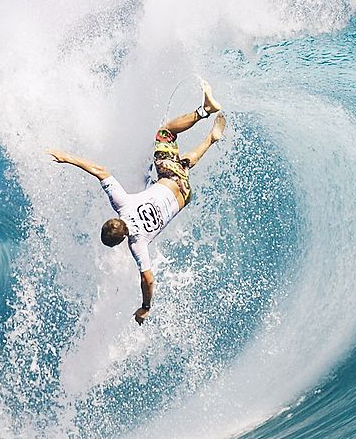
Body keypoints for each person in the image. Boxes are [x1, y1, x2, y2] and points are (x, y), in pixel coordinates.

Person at [48, 81, 226, 324]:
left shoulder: (138, 244)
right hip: (171, 179)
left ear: (121, 239)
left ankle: (211, 140)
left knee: (183, 166)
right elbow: (100, 171)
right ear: (115, 220)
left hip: (184, 194)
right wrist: (67, 158)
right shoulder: (122, 204)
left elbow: (148, 279)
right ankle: (205, 109)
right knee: (164, 134)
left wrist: (145, 307)